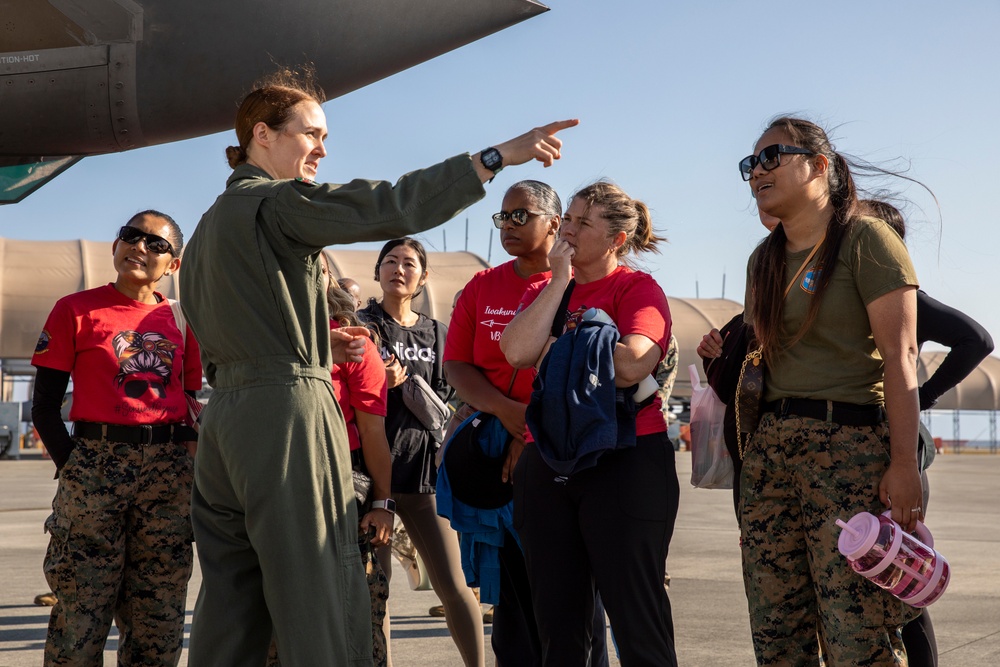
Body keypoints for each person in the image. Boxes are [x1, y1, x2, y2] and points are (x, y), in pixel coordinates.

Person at [179, 66, 576, 666]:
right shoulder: (278, 203)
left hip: (227, 424)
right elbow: (388, 205)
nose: (321, 148)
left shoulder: (207, 227)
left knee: (230, 608)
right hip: (285, 417)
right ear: (262, 134)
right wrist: (495, 158)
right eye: (311, 133)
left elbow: (232, 330)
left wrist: (311, 344)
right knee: (321, 596)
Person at [733, 116, 922, 665]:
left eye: (771, 157)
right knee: (776, 633)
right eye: (750, 164)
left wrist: (904, 464)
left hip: (848, 449)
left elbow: (900, 357)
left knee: (857, 633)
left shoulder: (866, 239)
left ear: (819, 166)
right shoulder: (762, 260)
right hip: (771, 455)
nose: (757, 172)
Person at [501, 180, 679, 665]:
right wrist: (560, 283)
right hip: (549, 462)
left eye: (583, 222)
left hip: (626, 461)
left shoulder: (638, 289)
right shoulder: (545, 287)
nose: (569, 229)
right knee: (558, 629)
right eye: (569, 218)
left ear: (617, 239)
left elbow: (633, 365)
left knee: (637, 621)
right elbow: (516, 351)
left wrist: (561, 350)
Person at [442, 180, 609, 666]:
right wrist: (504, 412)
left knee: (573, 593)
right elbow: (457, 365)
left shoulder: (580, 284)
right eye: (503, 217)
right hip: (493, 455)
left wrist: (530, 432)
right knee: (513, 597)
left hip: (558, 452)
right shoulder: (481, 286)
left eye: (522, 216)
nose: (509, 226)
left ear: (555, 225)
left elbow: (582, 373)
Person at [31, 211, 201, 666]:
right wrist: (75, 466)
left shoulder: (182, 320)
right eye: (131, 236)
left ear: (174, 264)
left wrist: (183, 466)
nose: (140, 248)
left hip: (167, 475)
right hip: (94, 466)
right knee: (81, 615)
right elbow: (44, 407)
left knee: (158, 619)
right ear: (115, 245)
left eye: (156, 244)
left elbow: (188, 401)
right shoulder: (75, 309)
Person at [358, 237, 486, 667]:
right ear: (377, 272)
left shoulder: (437, 332)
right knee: (377, 591)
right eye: (390, 261)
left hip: (425, 476)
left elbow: (452, 400)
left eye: (410, 263)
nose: (399, 269)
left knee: (455, 585)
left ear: (423, 277)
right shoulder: (361, 324)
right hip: (370, 482)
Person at [267, 258, 394, 667]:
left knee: (353, 609)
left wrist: (381, 503)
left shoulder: (353, 339)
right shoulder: (256, 331)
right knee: (276, 615)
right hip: (272, 478)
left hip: (342, 481)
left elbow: (373, 433)